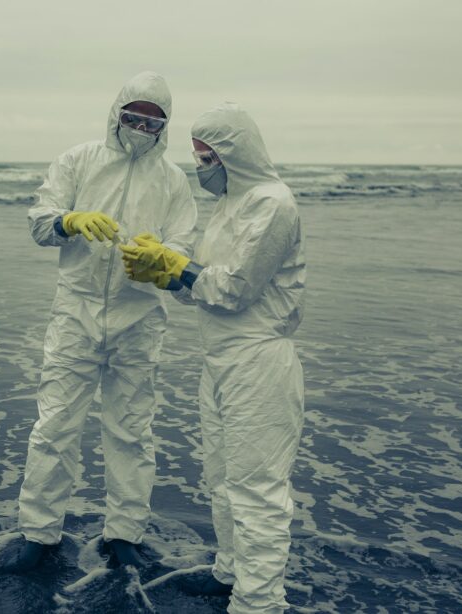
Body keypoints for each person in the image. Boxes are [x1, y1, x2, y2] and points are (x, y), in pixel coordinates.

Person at [3, 71, 197, 572]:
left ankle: (124, 533)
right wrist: (69, 221)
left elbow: (183, 245)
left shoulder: (173, 181)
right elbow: (40, 220)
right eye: (133, 117)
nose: (140, 128)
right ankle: (39, 533)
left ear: (164, 128)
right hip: (77, 311)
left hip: (140, 319)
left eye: (152, 122)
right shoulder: (79, 160)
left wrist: (163, 256)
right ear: (116, 114)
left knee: (132, 431)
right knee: (55, 426)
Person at [120, 102, 306, 613]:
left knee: (258, 489)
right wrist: (166, 274)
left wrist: (176, 266)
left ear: (235, 153)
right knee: (222, 478)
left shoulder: (273, 204)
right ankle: (231, 573)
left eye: (208, 158)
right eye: (197, 157)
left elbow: (236, 290)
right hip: (220, 360)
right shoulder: (228, 206)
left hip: (259, 362)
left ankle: (260, 603)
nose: (202, 168)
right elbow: (203, 285)